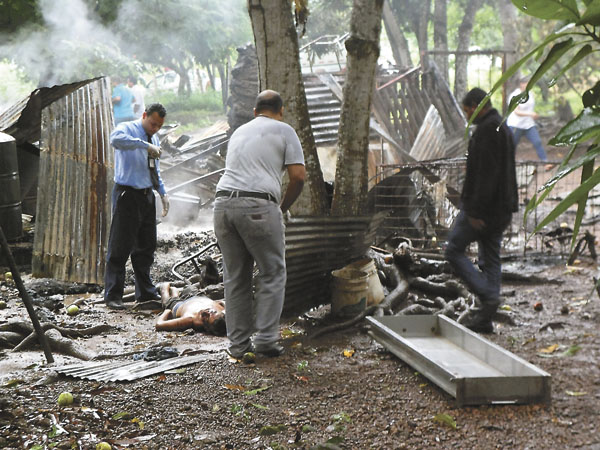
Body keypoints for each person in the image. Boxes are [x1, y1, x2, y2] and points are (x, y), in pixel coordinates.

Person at [213, 90, 305, 358]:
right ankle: (266, 339)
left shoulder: (239, 132)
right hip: (258, 206)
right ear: (281, 110)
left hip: (222, 206)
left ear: (254, 111)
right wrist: (281, 207)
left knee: (235, 278)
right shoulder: (284, 130)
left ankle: (239, 346)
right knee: (272, 271)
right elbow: (298, 176)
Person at [445, 88, 518, 333]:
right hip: (501, 208)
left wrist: (475, 211)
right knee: (490, 258)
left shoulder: (488, 130)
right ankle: (485, 318)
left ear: (478, 105)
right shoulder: (501, 127)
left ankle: (488, 295)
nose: (467, 117)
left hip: (484, 209)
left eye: (468, 111)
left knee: (453, 249)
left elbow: (487, 175)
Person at [104, 103, 171, 310]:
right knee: (120, 246)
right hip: (127, 194)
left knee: (146, 246)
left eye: (159, 126)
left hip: (146, 195)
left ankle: (145, 293)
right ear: (144, 115)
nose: (155, 129)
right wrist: (144, 145)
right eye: (152, 124)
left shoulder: (155, 138)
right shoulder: (128, 129)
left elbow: (154, 169)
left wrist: (162, 192)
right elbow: (115, 140)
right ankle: (113, 295)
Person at [155, 283, 226, 335]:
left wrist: (166, 311)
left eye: (206, 318)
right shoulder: (223, 310)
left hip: (179, 306)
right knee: (189, 287)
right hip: (197, 295)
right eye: (213, 312)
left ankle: (167, 289)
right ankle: (175, 293)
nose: (206, 312)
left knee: (167, 298)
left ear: (206, 327)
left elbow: (159, 325)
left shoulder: (190, 319)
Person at [506, 78, 548, 162]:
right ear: (521, 84)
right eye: (526, 83)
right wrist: (530, 114)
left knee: (537, 142)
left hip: (529, 124)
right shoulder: (515, 95)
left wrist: (533, 115)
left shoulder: (530, 94)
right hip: (516, 125)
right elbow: (516, 111)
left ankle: (545, 162)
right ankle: (507, 163)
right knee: (512, 145)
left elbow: (530, 108)